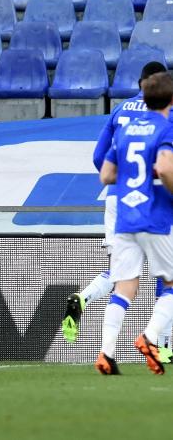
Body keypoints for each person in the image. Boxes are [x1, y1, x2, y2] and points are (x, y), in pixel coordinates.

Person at [61, 62, 172, 358]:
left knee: (124, 269)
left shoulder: (121, 109)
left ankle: (83, 299)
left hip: (118, 197)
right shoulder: (166, 115)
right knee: (166, 273)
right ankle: (161, 346)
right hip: (157, 198)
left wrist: (124, 182)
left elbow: (100, 157)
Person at [95, 72, 173, 375]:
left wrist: (133, 177)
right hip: (154, 216)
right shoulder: (166, 127)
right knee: (170, 282)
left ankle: (106, 354)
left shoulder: (125, 130)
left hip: (125, 217)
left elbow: (106, 175)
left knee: (124, 287)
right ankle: (150, 338)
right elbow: (165, 168)